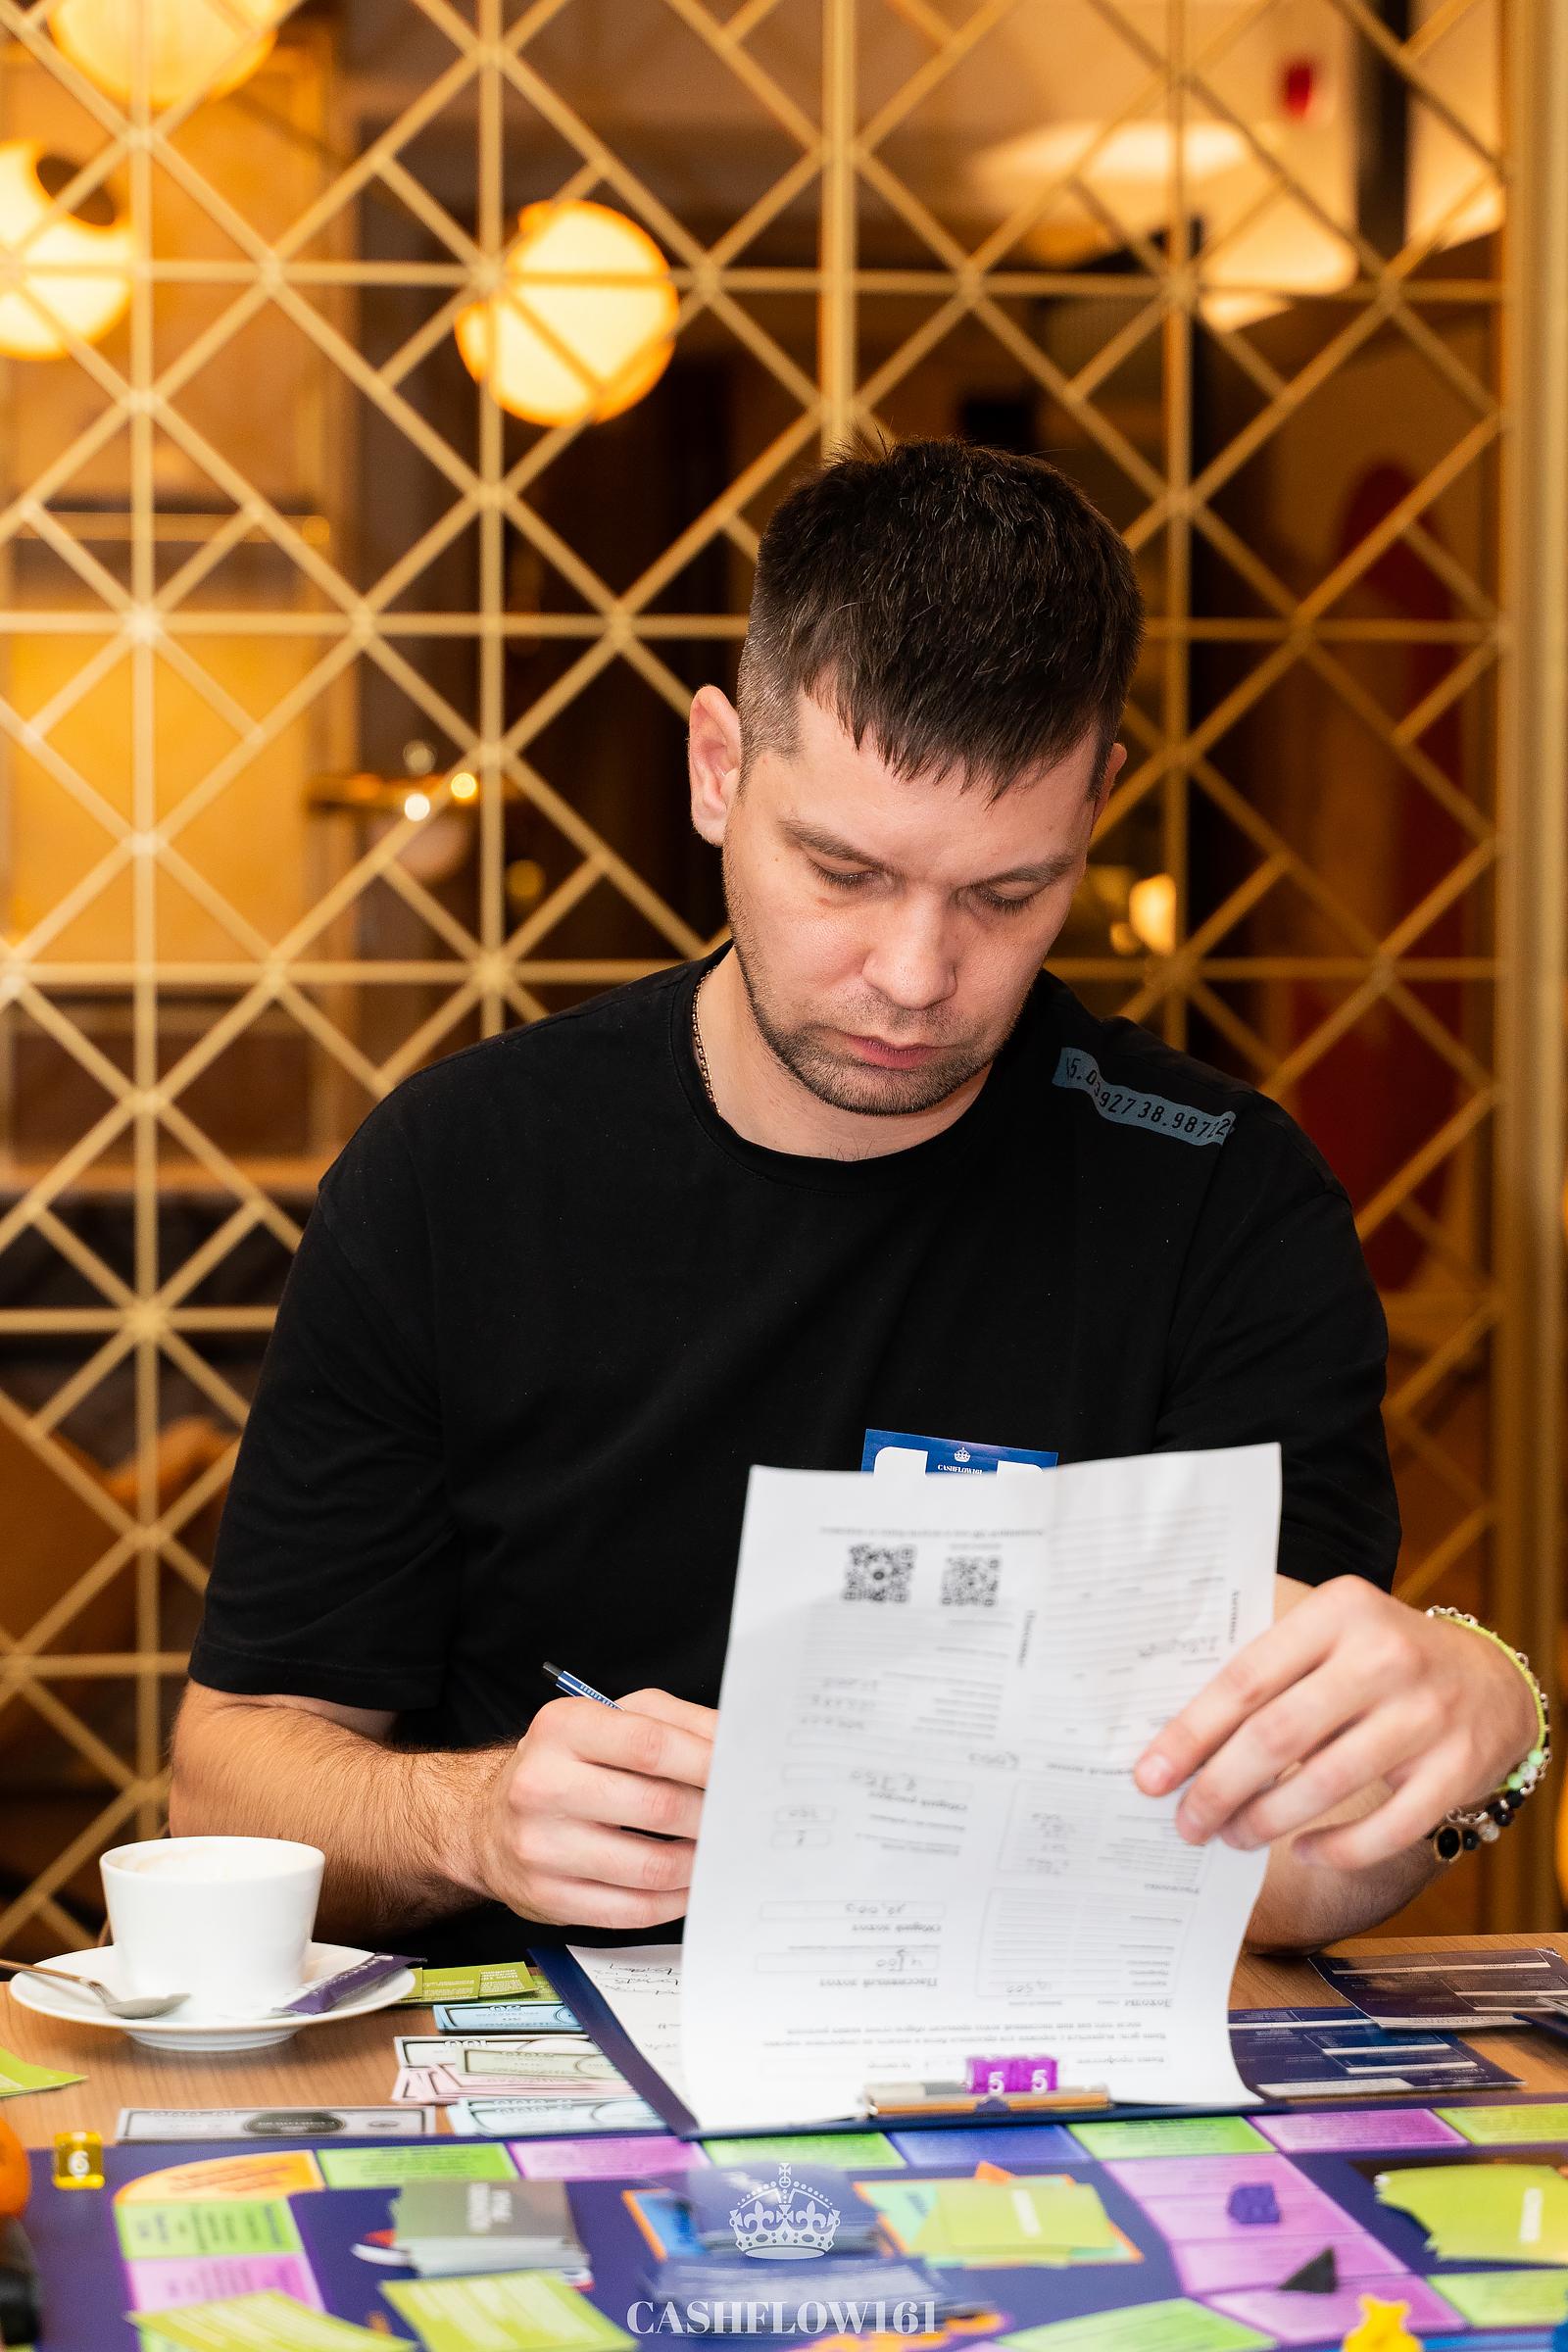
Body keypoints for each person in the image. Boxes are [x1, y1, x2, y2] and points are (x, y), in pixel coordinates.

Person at [170, 437, 1543, 1962]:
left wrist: (1479, 1730)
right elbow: (229, 1784)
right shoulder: (458, 1174)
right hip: (540, 2069)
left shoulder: (1224, 1204)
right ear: (718, 770)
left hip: (1030, 2066)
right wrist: (470, 1819)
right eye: (843, 871)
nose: (914, 974)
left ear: (1098, 808)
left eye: (1006, 894)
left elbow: (1290, 1859)